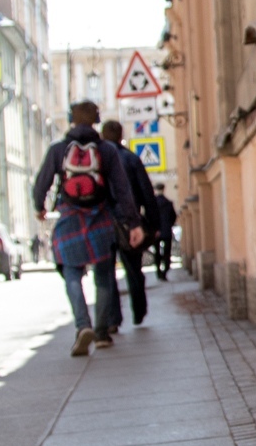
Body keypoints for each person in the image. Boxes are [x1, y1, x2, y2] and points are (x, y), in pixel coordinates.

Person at [32, 100, 141, 357]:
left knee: (71, 272)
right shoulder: (106, 150)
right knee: (104, 275)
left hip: (70, 217)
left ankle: (83, 325)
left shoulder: (59, 150)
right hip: (100, 217)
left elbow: (41, 183)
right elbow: (122, 189)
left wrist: (40, 207)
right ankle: (102, 333)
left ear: (71, 120)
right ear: (96, 120)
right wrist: (133, 222)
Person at [99, 119, 158, 329]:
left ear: (103, 136)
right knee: (133, 269)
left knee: (106, 273)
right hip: (129, 222)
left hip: (103, 222)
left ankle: (113, 319)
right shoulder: (131, 158)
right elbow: (146, 192)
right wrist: (153, 223)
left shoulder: (97, 161)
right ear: (121, 135)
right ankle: (139, 312)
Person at [150, 183, 178, 280]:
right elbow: (173, 217)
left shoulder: (152, 204)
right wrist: (169, 224)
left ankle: (158, 271)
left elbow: (148, 217)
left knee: (157, 252)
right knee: (167, 253)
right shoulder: (168, 203)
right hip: (166, 231)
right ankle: (165, 272)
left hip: (156, 231)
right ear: (164, 189)